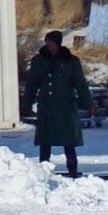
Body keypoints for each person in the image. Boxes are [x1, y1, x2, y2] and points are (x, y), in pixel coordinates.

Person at [26, 28, 93, 176]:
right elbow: (32, 84)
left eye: (52, 42)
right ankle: (44, 170)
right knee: (45, 142)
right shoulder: (39, 61)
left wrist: (88, 104)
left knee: (68, 141)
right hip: (47, 106)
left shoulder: (71, 61)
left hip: (65, 107)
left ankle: (73, 168)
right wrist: (26, 104)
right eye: (47, 42)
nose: (49, 45)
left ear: (58, 43)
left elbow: (80, 84)